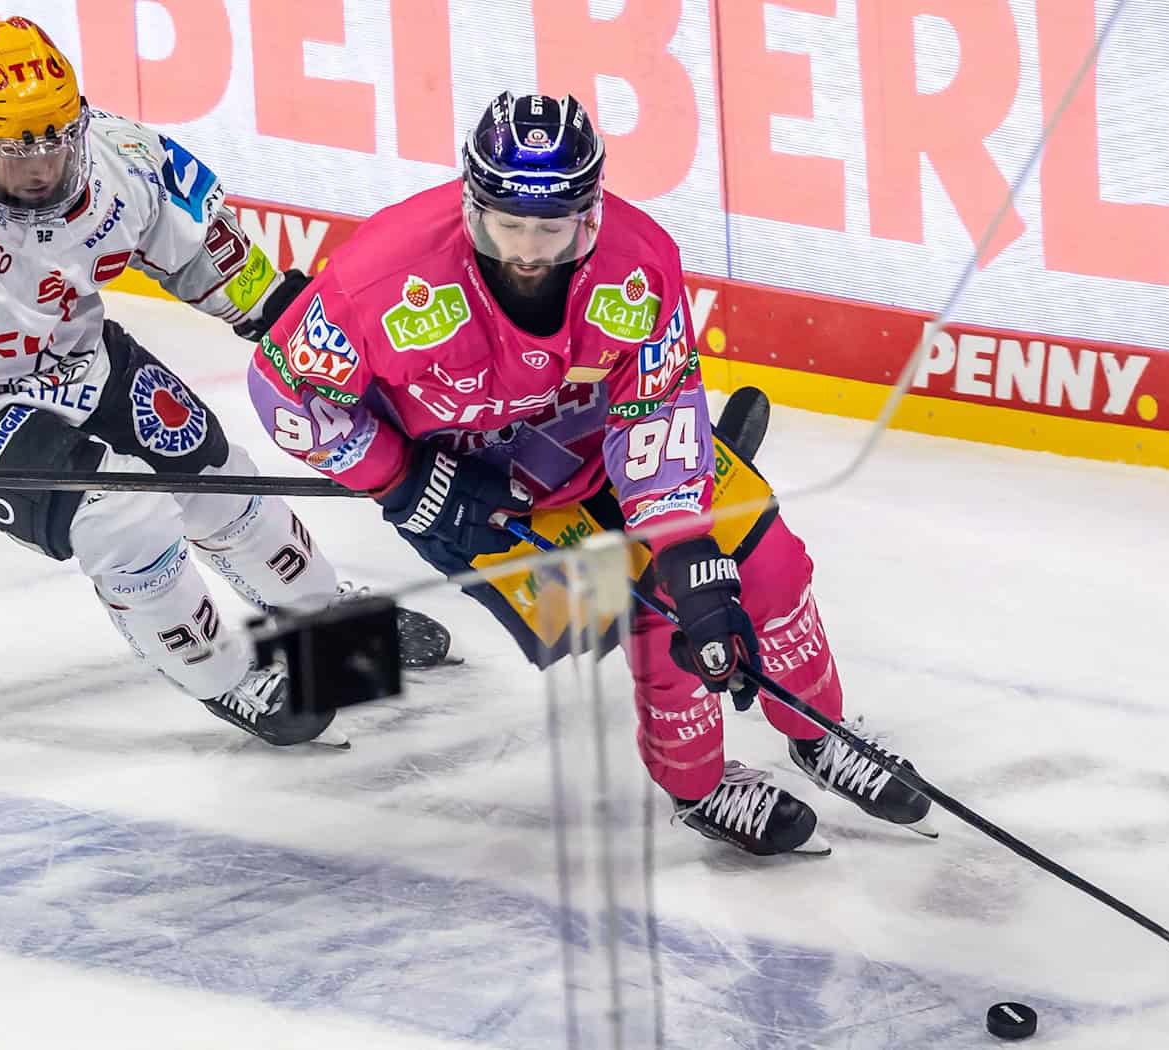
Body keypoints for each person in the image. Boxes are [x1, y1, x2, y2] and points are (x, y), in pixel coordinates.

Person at [247, 91, 935, 855]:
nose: (530, 250)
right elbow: (285, 392)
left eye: (553, 226)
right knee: (642, 614)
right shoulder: (385, 277)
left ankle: (821, 733)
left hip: (601, 440)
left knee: (766, 564)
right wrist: (403, 482)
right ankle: (701, 788)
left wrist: (680, 540)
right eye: (510, 224)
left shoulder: (638, 261)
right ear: (473, 203)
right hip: (474, 498)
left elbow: (657, 399)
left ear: (591, 210)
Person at [0, 17, 449, 750]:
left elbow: (217, 263)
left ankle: (325, 617)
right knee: (121, 517)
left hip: (80, 357)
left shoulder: (128, 159)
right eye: (12, 151)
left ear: (81, 117)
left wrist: (299, 334)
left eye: (55, 141)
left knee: (211, 471)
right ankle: (220, 673)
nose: (39, 167)